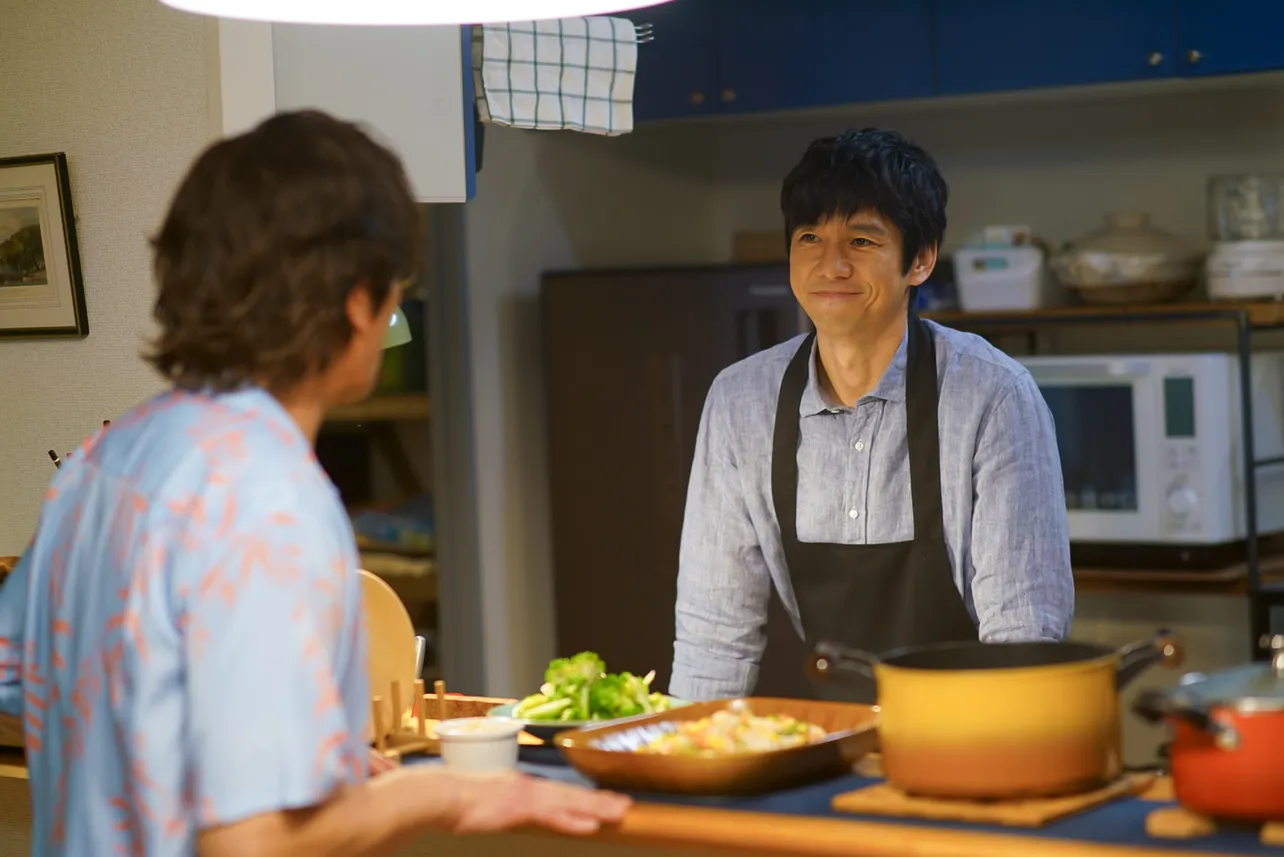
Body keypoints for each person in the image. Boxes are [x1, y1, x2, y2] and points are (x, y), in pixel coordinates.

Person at [0, 109, 628, 857]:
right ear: (358, 302)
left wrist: (299, 757)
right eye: (396, 294)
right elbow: (255, 842)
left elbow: (29, 687)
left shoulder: (105, 458)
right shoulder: (271, 496)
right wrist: (444, 790)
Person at [669, 128, 1075, 703]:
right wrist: (691, 766)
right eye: (810, 237)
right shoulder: (741, 401)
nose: (830, 265)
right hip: (838, 742)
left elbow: (1024, 635)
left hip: (975, 735)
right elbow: (715, 632)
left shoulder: (995, 395)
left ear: (921, 260)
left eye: (861, 241)